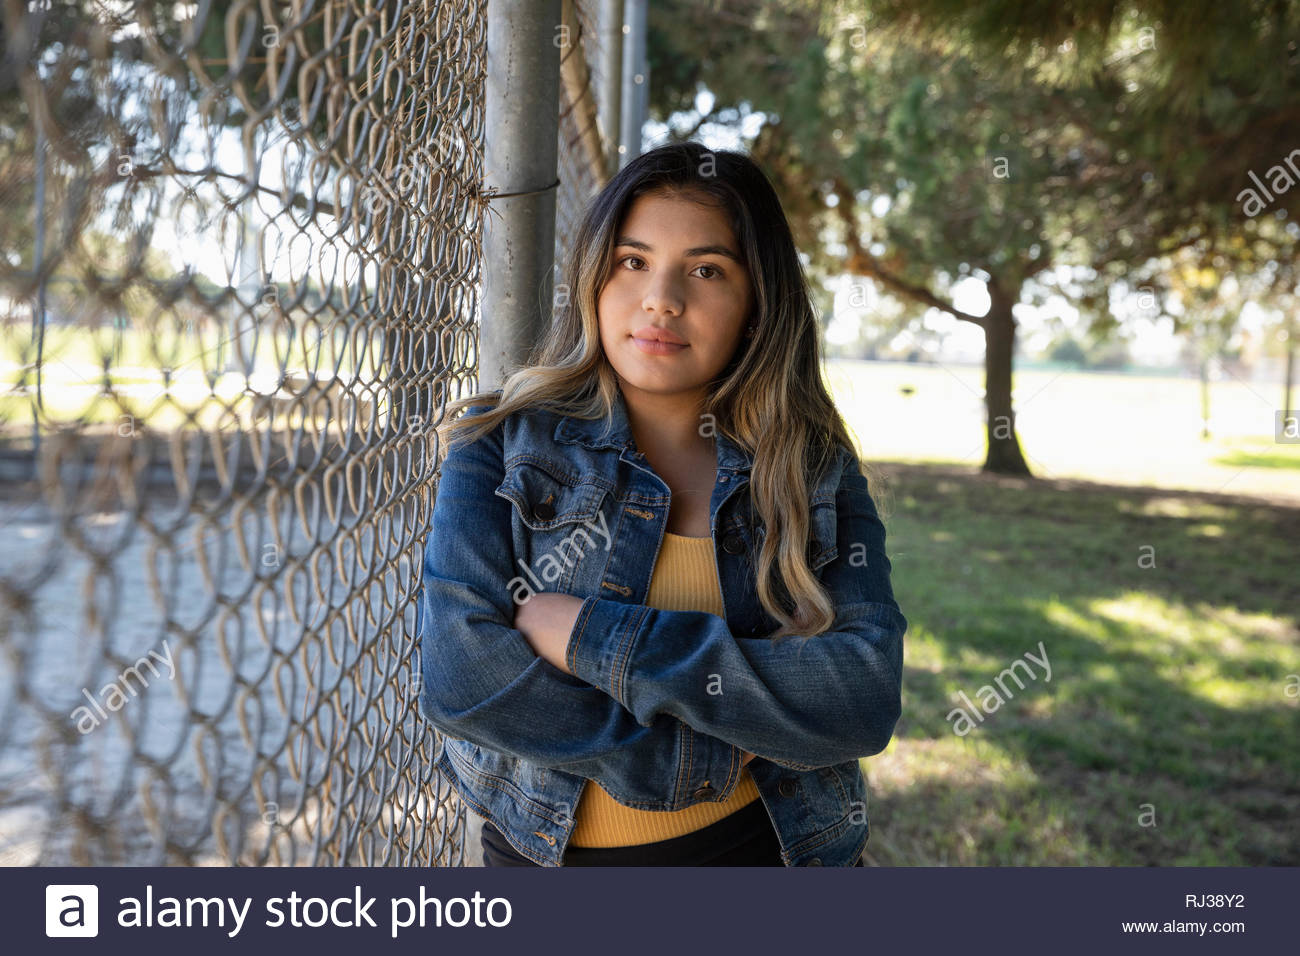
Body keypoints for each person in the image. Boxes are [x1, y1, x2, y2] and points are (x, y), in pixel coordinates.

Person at [418, 141, 906, 866]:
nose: (662, 299)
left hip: (777, 856)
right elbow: (465, 681)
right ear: (595, 277)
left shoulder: (809, 467)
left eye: (706, 270)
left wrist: (590, 636)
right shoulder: (497, 445)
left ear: (756, 303)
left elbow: (860, 694)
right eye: (632, 260)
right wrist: (689, 761)